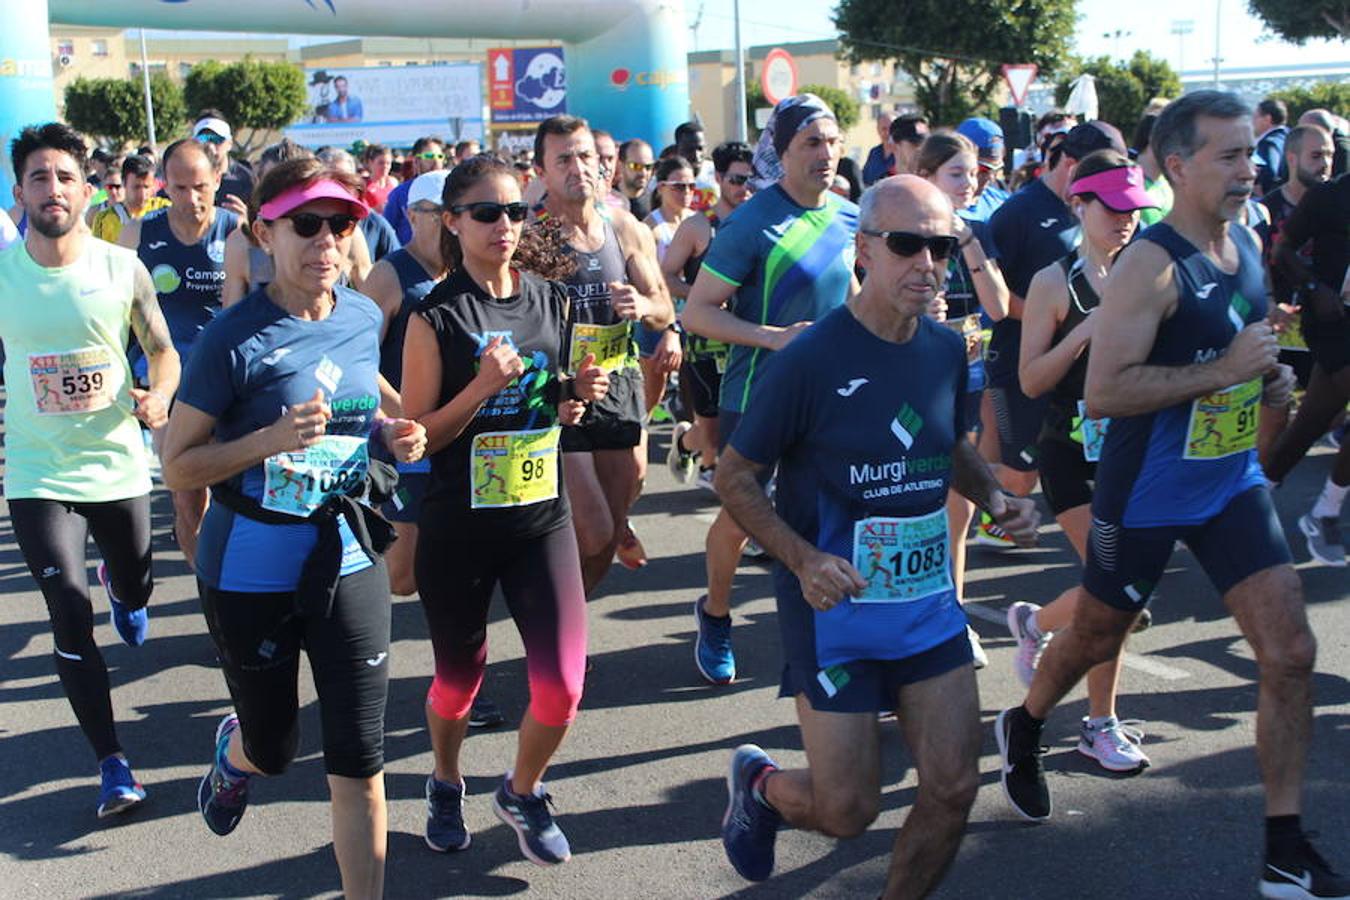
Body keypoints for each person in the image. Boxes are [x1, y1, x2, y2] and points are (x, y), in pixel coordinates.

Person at [995, 91, 1350, 900]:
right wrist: (1224, 373)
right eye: (1228, 156)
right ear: (1179, 165)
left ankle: (1286, 851)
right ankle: (1024, 721)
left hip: (1227, 485)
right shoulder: (1148, 267)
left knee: (1292, 651)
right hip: (1144, 494)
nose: (1249, 168)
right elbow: (1106, 393)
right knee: (1093, 636)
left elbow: (1243, 355)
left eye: (1251, 153)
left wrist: (1265, 386)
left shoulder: (1248, 246)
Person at [716, 175, 1039, 897]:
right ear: (863, 250)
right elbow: (733, 477)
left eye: (942, 246)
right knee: (848, 810)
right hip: (834, 610)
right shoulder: (809, 358)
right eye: (906, 245)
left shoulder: (947, 348)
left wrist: (992, 495)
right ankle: (762, 787)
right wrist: (801, 558)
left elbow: (948, 441)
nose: (927, 262)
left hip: (924, 601)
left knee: (955, 786)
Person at [161, 157, 427, 900]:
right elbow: (177, 465)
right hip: (250, 562)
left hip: (347, 553)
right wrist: (265, 441)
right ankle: (235, 755)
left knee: (361, 761)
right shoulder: (233, 339)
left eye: (340, 223)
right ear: (264, 232)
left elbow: (363, 392)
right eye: (306, 224)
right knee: (275, 748)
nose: (326, 240)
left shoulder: (362, 315)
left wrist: (392, 430)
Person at [400, 154, 609, 866]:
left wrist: (573, 394)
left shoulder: (549, 299)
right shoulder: (435, 314)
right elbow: (421, 436)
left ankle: (522, 789)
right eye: (487, 213)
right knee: (458, 684)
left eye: (516, 211)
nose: (504, 226)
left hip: (537, 521)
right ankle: (446, 778)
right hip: (458, 527)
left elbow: (551, 403)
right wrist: (482, 387)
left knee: (563, 687)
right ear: (453, 222)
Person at [0, 122, 180, 818]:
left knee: (135, 585)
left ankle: (126, 590)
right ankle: (113, 762)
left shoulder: (120, 268)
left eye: (65, 177)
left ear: (86, 188)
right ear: (20, 191)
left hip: (117, 467)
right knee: (67, 611)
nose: (53, 189)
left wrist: (159, 395)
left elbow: (160, 350)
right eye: (39, 177)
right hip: (38, 475)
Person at [682, 94, 860, 684]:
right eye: (811, 142)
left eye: (833, 142)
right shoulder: (752, 221)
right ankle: (714, 613)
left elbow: (853, 298)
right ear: (781, 153)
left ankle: (834, 636)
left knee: (834, 511)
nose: (826, 154)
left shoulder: (849, 215)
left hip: (832, 397)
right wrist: (775, 338)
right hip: (757, 393)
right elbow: (699, 314)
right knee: (745, 519)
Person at [1012, 150, 1159, 772]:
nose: (1127, 219)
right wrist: (1082, 332)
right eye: (1115, 207)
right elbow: (1028, 380)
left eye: (1135, 208)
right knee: (1117, 597)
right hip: (1070, 453)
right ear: (1081, 203)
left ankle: (1035, 622)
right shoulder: (1054, 282)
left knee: (1117, 592)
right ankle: (1099, 725)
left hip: (1135, 450)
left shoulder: (1148, 272)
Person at [533, 115, 674, 591]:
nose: (578, 168)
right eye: (564, 159)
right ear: (542, 172)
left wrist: (643, 304)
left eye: (585, 156)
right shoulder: (530, 237)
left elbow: (663, 308)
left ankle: (568, 633)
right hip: (563, 391)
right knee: (591, 528)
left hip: (618, 382)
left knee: (608, 533)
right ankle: (552, 622)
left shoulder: (626, 228)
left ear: (601, 164)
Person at [982, 122, 1127, 546]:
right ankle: (969, 502)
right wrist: (1065, 320)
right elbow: (993, 292)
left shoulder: (1109, 219)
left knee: (1057, 465)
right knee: (1021, 470)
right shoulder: (1018, 213)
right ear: (1069, 162)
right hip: (1018, 363)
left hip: (1078, 380)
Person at [118, 139, 240, 567]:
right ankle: (206, 584)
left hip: (226, 379)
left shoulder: (238, 233)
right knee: (187, 495)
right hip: (165, 380)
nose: (192, 199)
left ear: (218, 181)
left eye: (201, 187)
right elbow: (116, 313)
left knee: (232, 493)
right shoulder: (138, 234)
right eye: (181, 188)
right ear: (164, 185)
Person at [914, 131, 1011, 667]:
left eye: (973, 174)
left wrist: (968, 240)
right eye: (956, 173)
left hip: (967, 378)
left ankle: (953, 618)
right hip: (911, 384)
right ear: (927, 177)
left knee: (960, 511)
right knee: (914, 507)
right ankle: (910, 624)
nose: (968, 183)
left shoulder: (978, 228)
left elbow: (997, 306)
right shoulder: (901, 230)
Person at [1263, 166, 1350, 567]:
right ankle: (1325, 511)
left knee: (1311, 422)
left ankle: (1260, 497)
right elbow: (1283, 251)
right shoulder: (1329, 196)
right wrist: (1316, 289)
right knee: (1313, 419)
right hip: (1332, 321)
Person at [661, 141, 755, 486]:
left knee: (752, 421)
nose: (744, 189)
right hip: (706, 343)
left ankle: (730, 484)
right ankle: (687, 443)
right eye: (736, 180)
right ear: (718, 178)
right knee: (712, 430)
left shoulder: (761, 224)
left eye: (751, 180)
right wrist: (700, 296)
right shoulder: (698, 227)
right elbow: (666, 276)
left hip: (749, 339)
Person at [222, 142, 375, 304]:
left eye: (297, 189)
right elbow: (231, 314)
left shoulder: (345, 234)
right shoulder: (242, 242)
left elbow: (371, 298)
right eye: (272, 185)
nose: (326, 238)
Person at [638, 156, 695, 415]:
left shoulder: (696, 221)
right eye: (679, 186)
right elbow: (648, 280)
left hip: (693, 316)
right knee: (653, 388)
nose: (687, 192)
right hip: (660, 319)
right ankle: (640, 431)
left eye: (691, 186)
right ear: (661, 188)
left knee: (693, 385)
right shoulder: (651, 226)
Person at [318, 146, 401, 262]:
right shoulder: (300, 224)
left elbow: (398, 265)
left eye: (344, 180)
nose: (336, 188)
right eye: (329, 180)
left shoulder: (374, 225)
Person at [91, 154, 171, 243]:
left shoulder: (165, 209)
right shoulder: (103, 220)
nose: (142, 194)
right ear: (124, 183)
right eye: (136, 187)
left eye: (146, 187)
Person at [386, 137, 448, 244]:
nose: (436, 161)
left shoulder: (453, 190)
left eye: (440, 156)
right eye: (429, 156)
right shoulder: (400, 193)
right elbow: (387, 230)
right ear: (416, 161)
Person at [193, 112, 254, 217]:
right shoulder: (185, 177)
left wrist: (247, 219)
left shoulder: (246, 179)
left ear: (230, 143)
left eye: (217, 140)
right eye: (203, 139)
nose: (210, 146)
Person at [955, 117, 1010, 219]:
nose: (991, 178)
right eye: (982, 170)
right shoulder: (935, 209)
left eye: (996, 170)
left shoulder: (1003, 203)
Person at [1253, 98, 1290, 197]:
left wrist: (1261, 190)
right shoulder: (1291, 136)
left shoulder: (1268, 143)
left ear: (1267, 119)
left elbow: (1270, 172)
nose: (1252, 122)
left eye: (1255, 117)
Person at [618, 138, 656, 219]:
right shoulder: (608, 202)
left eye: (648, 167)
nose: (643, 173)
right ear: (621, 165)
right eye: (635, 166)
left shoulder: (656, 203)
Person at [361, 144, 399, 213]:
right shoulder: (363, 184)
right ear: (370, 162)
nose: (385, 166)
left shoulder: (394, 182)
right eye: (381, 163)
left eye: (388, 163)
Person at [862, 111, 895, 186]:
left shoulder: (903, 153)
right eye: (884, 129)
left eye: (891, 129)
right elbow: (865, 179)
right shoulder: (874, 153)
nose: (888, 133)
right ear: (878, 130)